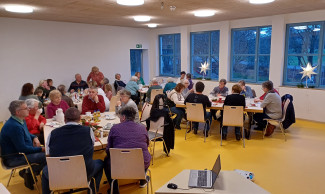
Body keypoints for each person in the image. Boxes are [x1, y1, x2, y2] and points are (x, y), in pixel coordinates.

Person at [42, 108, 104, 194]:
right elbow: (91, 146)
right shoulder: (88, 131)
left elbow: (48, 155)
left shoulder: (53, 133)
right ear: (80, 119)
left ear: (64, 119)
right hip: (84, 173)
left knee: (45, 170)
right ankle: (92, 191)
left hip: (59, 174)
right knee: (100, 163)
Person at [0, 100, 46, 190]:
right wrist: (41, 149)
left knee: (46, 154)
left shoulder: (20, 120)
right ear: (18, 112)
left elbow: (27, 134)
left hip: (22, 152)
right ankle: (29, 173)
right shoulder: (14, 126)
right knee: (47, 156)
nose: (28, 109)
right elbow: (23, 149)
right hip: (14, 158)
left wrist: (34, 138)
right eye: (25, 108)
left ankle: (28, 173)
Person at [104, 106, 151, 194]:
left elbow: (108, 150)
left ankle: (114, 189)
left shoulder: (114, 128)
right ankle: (142, 180)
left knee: (106, 160)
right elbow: (147, 144)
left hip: (119, 166)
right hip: (140, 165)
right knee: (145, 155)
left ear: (123, 117)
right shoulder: (142, 128)